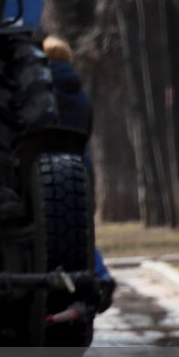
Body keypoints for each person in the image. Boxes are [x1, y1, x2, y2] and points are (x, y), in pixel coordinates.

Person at [43, 36, 114, 307]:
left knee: (59, 232)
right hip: (82, 167)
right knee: (83, 231)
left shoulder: (44, 91)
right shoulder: (80, 93)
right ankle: (101, 274)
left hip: (54, 171)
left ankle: (92, 281)